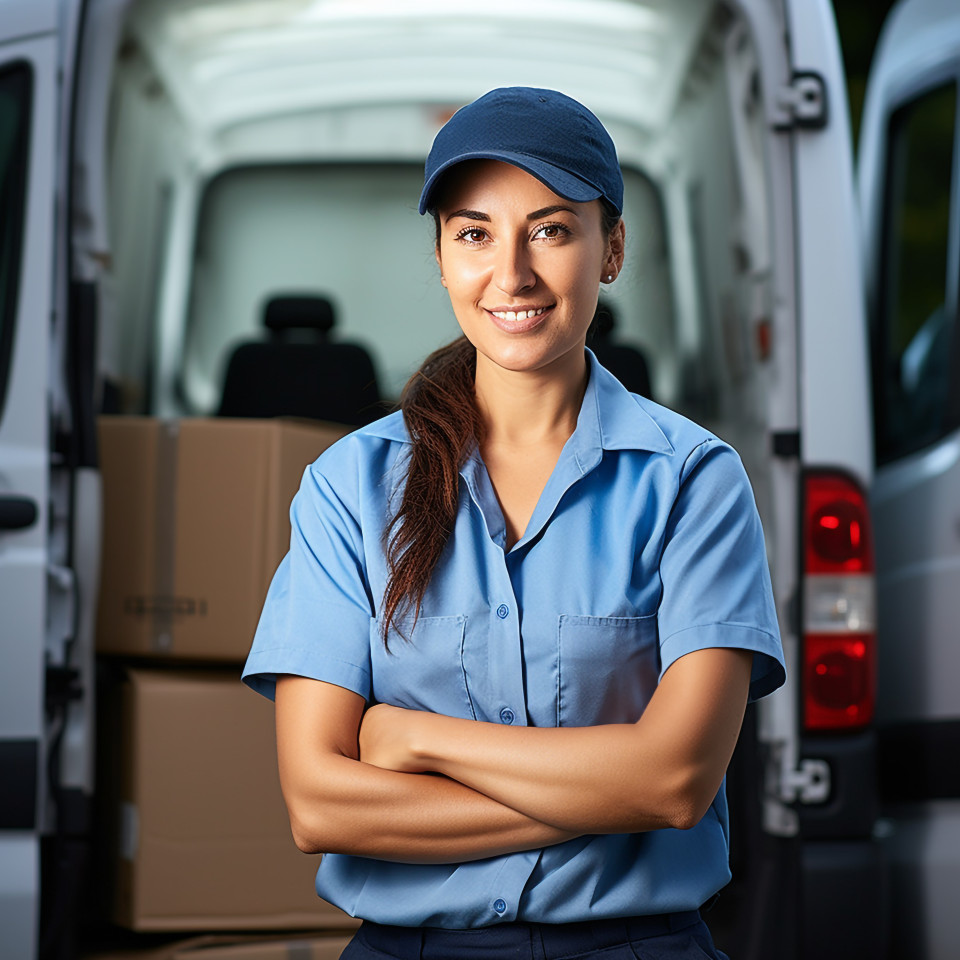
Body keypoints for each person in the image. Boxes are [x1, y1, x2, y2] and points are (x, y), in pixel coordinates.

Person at [242, 86, 785, 960]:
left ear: (611, 249)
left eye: (552, 229)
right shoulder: (350, 487)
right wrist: (604, 796)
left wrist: (411, 738)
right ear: (442, 256)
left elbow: (678, 782)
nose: (513, 274)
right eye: (474, 233)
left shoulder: (693, 482)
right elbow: (320, 805)